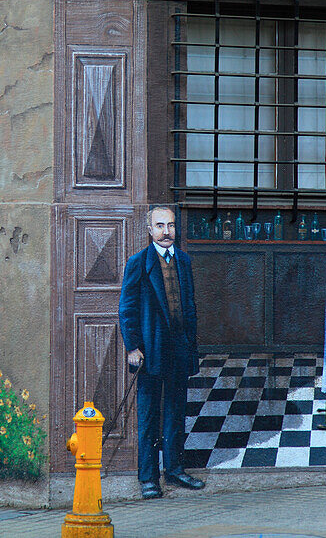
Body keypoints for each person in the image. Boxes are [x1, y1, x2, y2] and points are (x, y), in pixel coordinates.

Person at [118, 206, 205, 499]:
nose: (166, 231)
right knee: (149, 416)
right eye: (159, 226)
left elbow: (190, 305)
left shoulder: (184, 260)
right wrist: (132, 347)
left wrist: (191, 344)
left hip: (179, 349)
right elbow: (127, 309)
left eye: (170, 225)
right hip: (150, 350)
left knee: (176, 413)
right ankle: (148, 478)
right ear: (149, 230)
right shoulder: (138, 263)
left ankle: (176, 470)